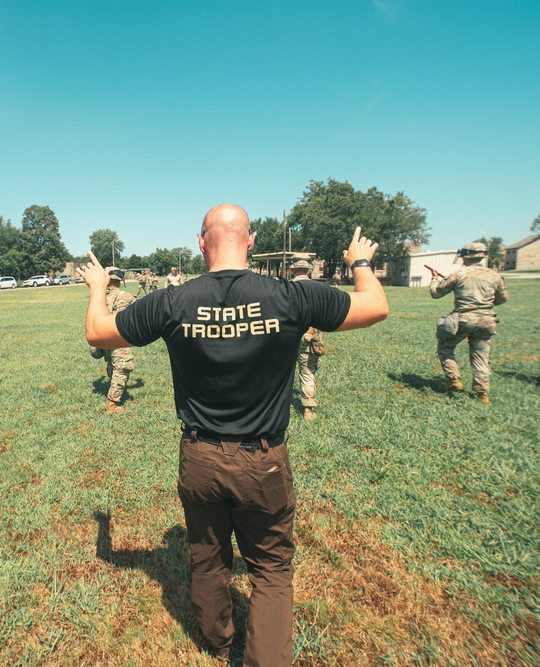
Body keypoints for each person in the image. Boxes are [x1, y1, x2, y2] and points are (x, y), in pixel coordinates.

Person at [78, 204, 388, 666]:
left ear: (201, 242)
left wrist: (99, 289)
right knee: (271, 568)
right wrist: (359, 263)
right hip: (263, 459)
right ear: (252, 240)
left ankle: (217, 642)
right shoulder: (291, 296)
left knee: (207, 557)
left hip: (200, 457)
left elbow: (98, 333)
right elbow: (376, 306)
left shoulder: (173, 301)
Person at [428, 242, 508, 404]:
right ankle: (482, 394)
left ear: (465, 257)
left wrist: (434, 279)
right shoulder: (494, 276)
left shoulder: (458, 274)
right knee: (481, 356)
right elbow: (502, 298)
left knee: (446, 347)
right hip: (487, 321)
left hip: (463, 320)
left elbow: (436, 293)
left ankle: (454, 381)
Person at [89, 267, 137, 413]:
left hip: (103, 337)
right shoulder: (127, 296)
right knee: (122, 368)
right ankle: (113, 405)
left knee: (112, 363)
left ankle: (111, 388)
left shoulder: (99, 297)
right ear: (120, 281)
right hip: (118, 337)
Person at [289, 260, 326, 420]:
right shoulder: (319, 289)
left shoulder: (285, 287)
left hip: (286, 336)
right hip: (308, 337)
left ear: (292, 271)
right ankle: (308, 411)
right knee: (307, 372)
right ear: (309, 271)